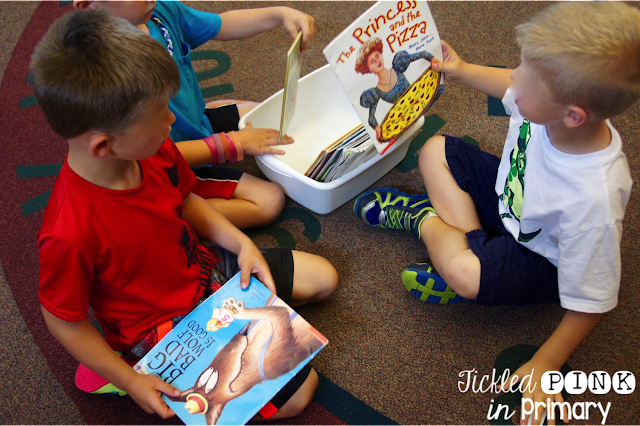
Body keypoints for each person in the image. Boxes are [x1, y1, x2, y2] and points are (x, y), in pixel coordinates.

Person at [33, 9, 337, 421]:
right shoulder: (68, 232)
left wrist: (240, 242)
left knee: (324, 278)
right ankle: (128, 366)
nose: (173, 120)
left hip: (203, 273)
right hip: (160, 330)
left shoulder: (152, 149)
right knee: (302, 395)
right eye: (160, 115)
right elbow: (64, 323)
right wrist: (130, 379)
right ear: (105, 146)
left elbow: (187, 198)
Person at [353, 2, 640, 424]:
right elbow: (510, 82)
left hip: (541, 258)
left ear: (572, 116)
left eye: (525, 77)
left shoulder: (592, 200)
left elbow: (594, 299)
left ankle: (424, 220)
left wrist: (545, 364)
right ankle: (466, 248)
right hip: (511, 201)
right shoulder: (547, 105)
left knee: (466, 275)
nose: (513, 78)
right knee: (434, 150)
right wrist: (464, 69)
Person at [73, 0, 317, 229]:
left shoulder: (157, 12)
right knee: (269, 201)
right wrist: (234, 143)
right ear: (87, 5)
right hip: (170, 165)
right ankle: (172, 212)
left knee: (267, 115)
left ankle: (208, 115)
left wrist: (280, 14)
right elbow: (151, 158)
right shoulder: (105, 76)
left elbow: (221, 24)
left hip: (197, 123)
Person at [356, 37, 434, 143]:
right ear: (368, 69)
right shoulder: (375, 92)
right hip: (403, 121)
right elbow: (371, 118)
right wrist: (377, 128)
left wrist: (433, 59)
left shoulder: (398, 63)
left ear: (381, 53)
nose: (377, 60)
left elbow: (423, 53)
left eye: (377, 56)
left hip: (422, 103)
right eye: (372, 62)